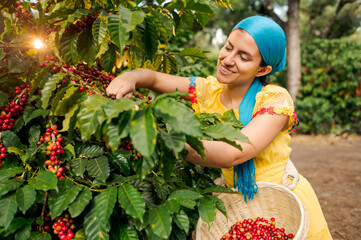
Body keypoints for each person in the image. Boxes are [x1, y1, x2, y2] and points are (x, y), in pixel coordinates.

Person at [106, 15, 332, 239]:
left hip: (282, 207)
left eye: (243, 57)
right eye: (228, 47)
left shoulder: (275, 100)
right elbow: (154, 79)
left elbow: (231, 154)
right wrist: (130, 78)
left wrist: (156, 138)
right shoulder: (208, 91)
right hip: (238, 207)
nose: (227, 59)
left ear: (262, 70)